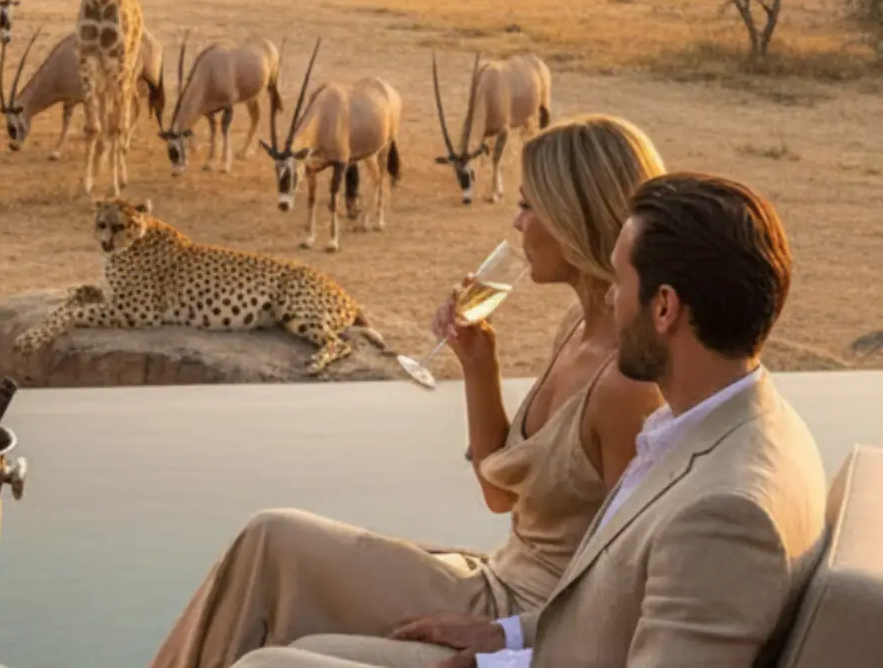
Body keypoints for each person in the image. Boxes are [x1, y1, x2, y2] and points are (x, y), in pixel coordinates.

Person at [236, 171, 829, 668]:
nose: (611, 301)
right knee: (298, 631)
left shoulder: (724, 513)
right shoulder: (728, 427)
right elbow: (609, 598)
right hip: (537, 643)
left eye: (620, 282)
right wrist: (505, 639)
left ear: (665, 307)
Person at [146, 116, 668, 668]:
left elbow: (622, 583)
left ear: (573, 218)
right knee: (270, 538)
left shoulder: (626, 385)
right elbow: (500, 496)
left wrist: (508, 641)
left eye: (528, 206)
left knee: (283, 645)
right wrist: (477, 363)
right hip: (495, 577)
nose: (516, 223)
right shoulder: (575, 326)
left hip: (530, 615)